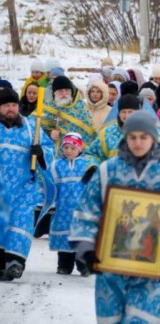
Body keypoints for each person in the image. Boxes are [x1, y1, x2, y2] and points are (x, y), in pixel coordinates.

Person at [69, 111, 160, 322]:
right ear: (125, 138)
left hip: (153, 270)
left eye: (143, 137)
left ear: (153, 138)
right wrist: (88, 251)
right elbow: (87, 210)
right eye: (132, 137)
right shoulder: (107, 171)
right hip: (110, 267)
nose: (138, 143)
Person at [0, 88, 54, 281]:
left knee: (20, 223)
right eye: (6, 105)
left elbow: (50, 148)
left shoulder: (32, 128)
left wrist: (41, 154)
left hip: (24, 188)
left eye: (14, 105)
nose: (11, 109)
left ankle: (15, 263)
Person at [48, 133, 90, 276]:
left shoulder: (87, 165)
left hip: (82, 209)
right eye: (66, 147)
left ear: (80, 149)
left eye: (73, 148)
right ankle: (64, 266)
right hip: (62, 208)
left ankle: (83, 266)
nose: (69, 151)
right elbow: (50, 186)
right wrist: (50, 204)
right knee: (64, 238)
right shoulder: (56, 165)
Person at [42, 75, 96, 147]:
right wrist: (50, 133)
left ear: (71, 91)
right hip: (55, 153)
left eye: (67, 90)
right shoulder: (48, 108)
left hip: (79, 153)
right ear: (54, 92)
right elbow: (35, 129)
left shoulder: (81, 108)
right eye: (60, 91)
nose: (64, 94)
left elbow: (90, 133)